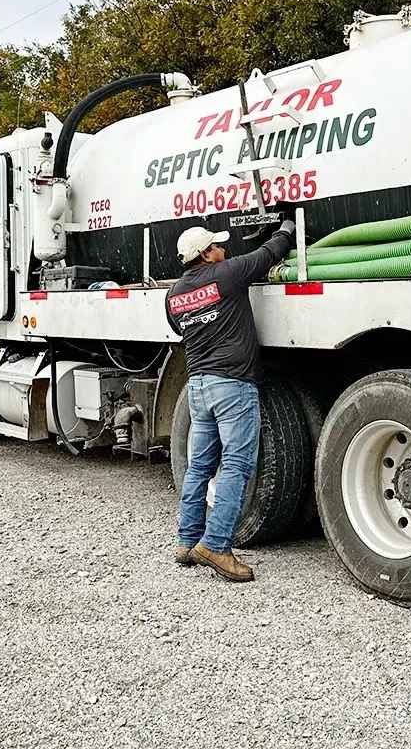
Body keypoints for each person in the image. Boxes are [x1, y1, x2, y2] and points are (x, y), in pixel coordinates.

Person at [166, 219, 295, 582]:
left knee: (199, 467)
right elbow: (267, 255)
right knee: (236, 466)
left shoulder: (173, 294)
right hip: (232, 386)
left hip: (198, 386)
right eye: (218, 246)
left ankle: (187, 541)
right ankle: (217, 546)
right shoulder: (226, 274)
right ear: (206, 254)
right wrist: (286, 229)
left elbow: (179, 328)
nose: (224, 249)